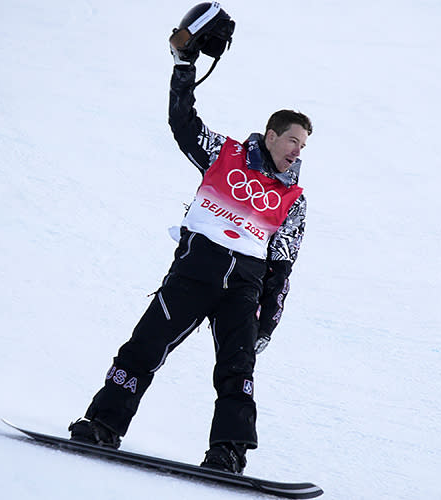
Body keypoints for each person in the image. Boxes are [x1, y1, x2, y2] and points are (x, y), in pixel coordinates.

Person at [68, 3, 312, 475]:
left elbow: (283, 264)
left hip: (244, 287)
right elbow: (184, 124)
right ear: (272, 134)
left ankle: (229, 453)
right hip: (196, 272)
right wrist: (185, 68)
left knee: (238, 375)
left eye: (303, 146)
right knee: (143, 348)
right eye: (292, 141)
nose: (297, 151)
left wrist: (269, 320)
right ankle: (102, 424)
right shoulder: (226, 155)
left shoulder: (294, 199)